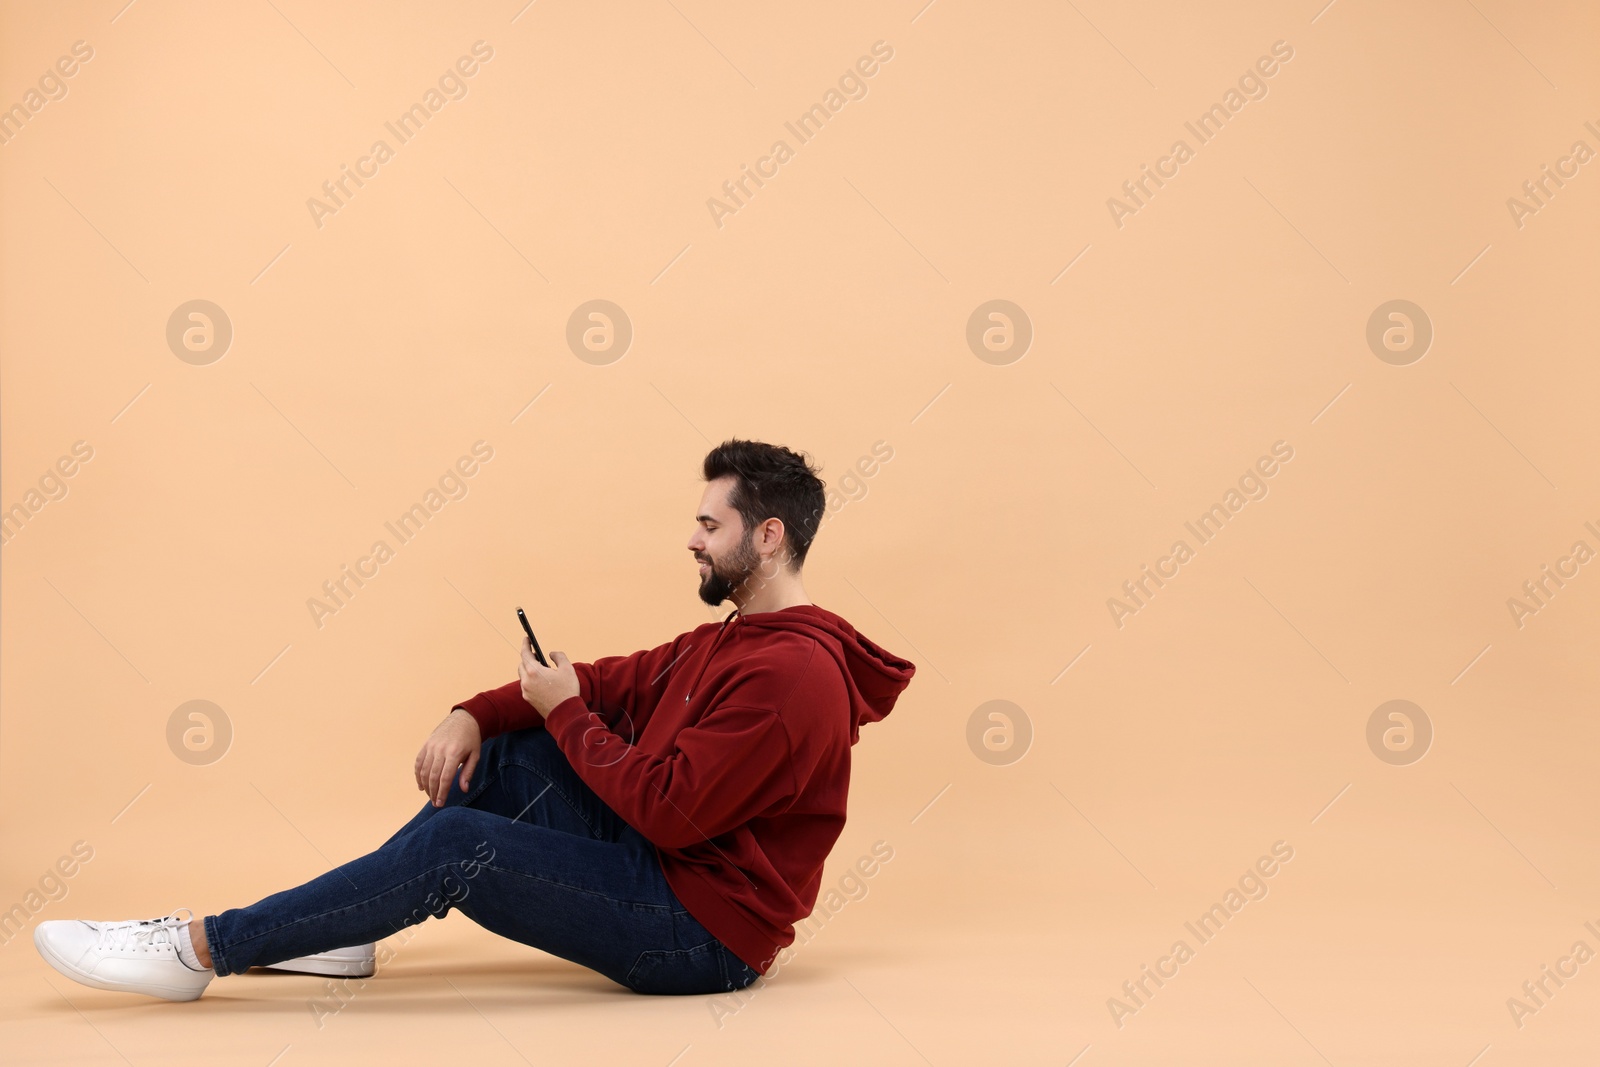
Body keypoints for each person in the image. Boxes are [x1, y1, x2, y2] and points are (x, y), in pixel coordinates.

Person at [35, 439, 916, 1000]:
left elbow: (667, 809)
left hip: (701, 931)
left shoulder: (794, 674)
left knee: (458, 845)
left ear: (766, 537)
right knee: (505, 756)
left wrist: (565, 710)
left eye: (708, 523)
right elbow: (607, 683)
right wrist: (473, 713)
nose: (690, 538)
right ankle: (350, 934)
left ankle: (199, 949)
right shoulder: (730, 639)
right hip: (666, 866)